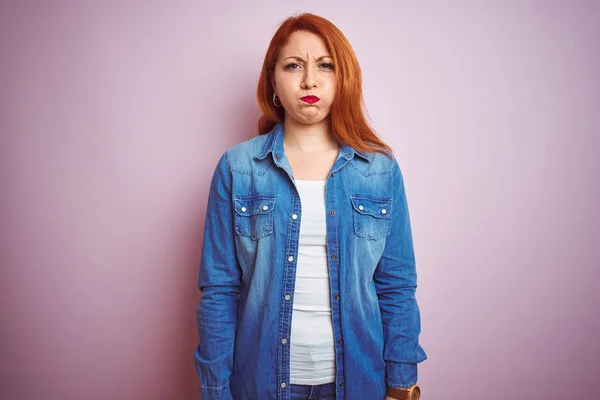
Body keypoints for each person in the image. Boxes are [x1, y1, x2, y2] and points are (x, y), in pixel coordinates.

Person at [195, 13, 427, 400]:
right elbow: (219, 289)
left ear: (342, 77)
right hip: (261, 384)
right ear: (273, 79)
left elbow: (396, 286)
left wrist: (402, 386)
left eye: (325, 65)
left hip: (358, 383)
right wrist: (215, 391)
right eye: (293, 66)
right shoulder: (238, 168)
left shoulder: (380, 170)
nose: (309, 81)